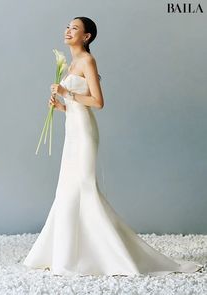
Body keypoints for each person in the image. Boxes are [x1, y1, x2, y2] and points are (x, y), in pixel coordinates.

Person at [23, 16, 204, 276]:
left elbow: (97, 102)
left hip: (85, 133)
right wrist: (61, 106)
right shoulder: (71, 63)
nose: (68, 30)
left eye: (75, 28)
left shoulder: (87, 60)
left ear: (86, 37)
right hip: (72, 130)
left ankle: (111, 255)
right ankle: (68, 255)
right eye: (68, 26)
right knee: (66, 189)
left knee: (85, 188)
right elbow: (75, 107)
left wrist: (68, 94)